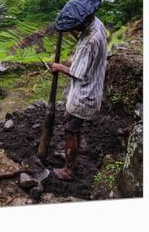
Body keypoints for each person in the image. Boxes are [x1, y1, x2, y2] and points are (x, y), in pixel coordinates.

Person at [49, 12, 107, 180]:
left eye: (75, 26)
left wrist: (59, 67)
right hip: (92, 87)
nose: (74, 29)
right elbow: (82, 36)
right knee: (74, 128)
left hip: (84, 95)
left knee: (70, 131)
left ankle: (68, 170)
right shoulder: (97, 23)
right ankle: (71, 156)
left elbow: (77, 73)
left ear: (81, 22)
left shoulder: (88, 43)